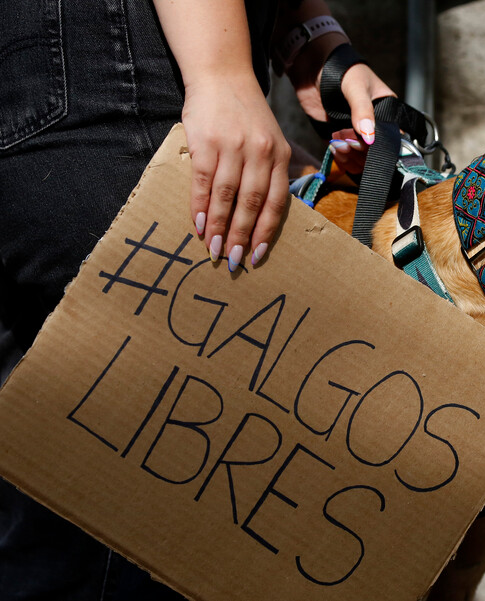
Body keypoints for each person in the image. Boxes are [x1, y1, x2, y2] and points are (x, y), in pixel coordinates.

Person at [0, 0, 393, 598]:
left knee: (64, 531)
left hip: (77, 78)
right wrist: (222, 73)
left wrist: (309, 40)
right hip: (119, 69)